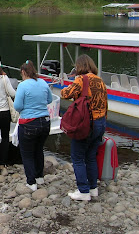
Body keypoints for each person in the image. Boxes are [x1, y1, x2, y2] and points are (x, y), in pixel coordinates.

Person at [61, 54, 108, 201]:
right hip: (101, 122)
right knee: (91, 156)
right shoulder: (100, 80)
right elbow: (105, 104)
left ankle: (83, 191)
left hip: (87, 123)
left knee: (78, 157)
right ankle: (93, 188)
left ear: (79, 66)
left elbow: (65, 94)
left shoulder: (82, 79)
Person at [14, 60, 52, 192]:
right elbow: (50, 100)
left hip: (29, 122)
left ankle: (31, 182)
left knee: (27, 153)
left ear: (24, 72)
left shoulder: (23, 85)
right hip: (45, 121)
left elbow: (17, 106)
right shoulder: (42, 82)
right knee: (38, 149)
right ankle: (40, 176)